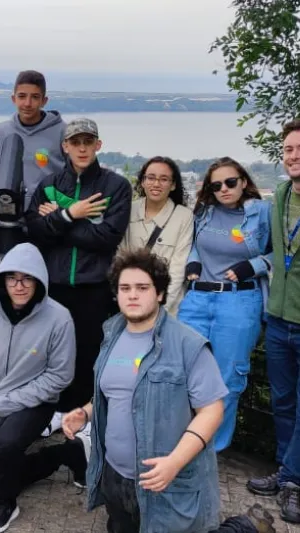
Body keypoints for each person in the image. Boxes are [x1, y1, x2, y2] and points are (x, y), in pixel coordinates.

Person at [62, 249, 273, 533]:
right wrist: (85, 413)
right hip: (115, 477)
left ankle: (245, 527)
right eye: (125, 288)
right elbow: (115, 391)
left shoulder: (188, 344)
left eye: (142, 288)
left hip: (166, 484)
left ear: (160, 293)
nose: (133, 295)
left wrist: (175, 462)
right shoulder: (110, 334)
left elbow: (212, 411)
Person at [0, 243, 76, 533]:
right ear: (2, 278)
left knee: (7, 445)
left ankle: (5, 503)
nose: (20, 286)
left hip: (36, 400)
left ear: (39, 281)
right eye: (12, 278)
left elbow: (60, 375)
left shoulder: (59, 318)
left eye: (28, 278)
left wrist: (8, 401)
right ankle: (61, 456)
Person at [24, 117, 132, 413]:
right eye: (75, 143)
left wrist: (60, 218)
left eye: (88, 142)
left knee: (88, 353)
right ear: (65, 146)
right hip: (54, 285)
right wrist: (72, 215)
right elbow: (35, 230)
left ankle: (79, 415)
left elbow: (107, 237)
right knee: (50, 351)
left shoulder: (116, 186)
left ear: (98, 145)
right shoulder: (49, 185)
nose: (82, 149)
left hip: (94, 286)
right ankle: (50, 413)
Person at [178, 157, 271, 452]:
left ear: (243, 181)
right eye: (216, 185)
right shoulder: (204, 212)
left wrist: (254, 265)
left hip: (239, 300)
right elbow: (194, 242)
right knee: (182, 370)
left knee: (228, 377)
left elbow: (280, 253)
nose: (224, 189)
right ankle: (181, 439)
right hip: (197, 298)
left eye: (231, 182)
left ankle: (211, 448)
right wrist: (193, 259)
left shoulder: (262, 212)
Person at [247, 119, 300, 524]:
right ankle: (286, 471)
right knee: (283, 401)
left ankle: (293, 482)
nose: (293, 155)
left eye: (299, 148)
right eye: (288, 149)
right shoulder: (279, 194)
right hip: (278, 318)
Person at [120, 156, 193, 315]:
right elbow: (120, 257)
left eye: (164, 179)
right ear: (143, 181)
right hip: (131, 302)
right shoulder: (129, 210)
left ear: (173, 185)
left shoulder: (184, 216)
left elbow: (178, 268)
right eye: (151, 178)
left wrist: (162, 306)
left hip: (166, 305)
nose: (156, 184)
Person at [0, 70, 66, 212]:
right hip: (8, 214)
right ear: (13, 98)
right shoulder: (0, 132)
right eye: (22, 96)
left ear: (44, 101)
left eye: (35, 97)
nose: (27, 103)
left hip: (47, 215)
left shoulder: (63, 132)